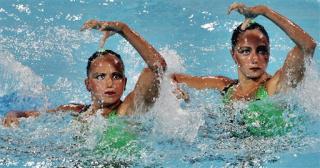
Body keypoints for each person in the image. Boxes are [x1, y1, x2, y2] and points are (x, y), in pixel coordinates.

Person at [172, 3, 316, 136]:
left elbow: (307, 45)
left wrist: (264, 11)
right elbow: (171, 77)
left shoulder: (274, 87)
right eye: (246, 51)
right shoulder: (225, 86)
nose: (254, 59)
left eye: (261, 50)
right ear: (234, 55)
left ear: (269, 53)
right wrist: (179, 92)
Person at [2, 20, 167, 127]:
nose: (109, 84)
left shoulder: (128, 109)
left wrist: (123, 29)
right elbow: (28, 115)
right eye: (100, 77)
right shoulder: (75, 111)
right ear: (88, 84)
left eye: (116, 76)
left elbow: (157, 67)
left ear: (124, 83)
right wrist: (13, 115)